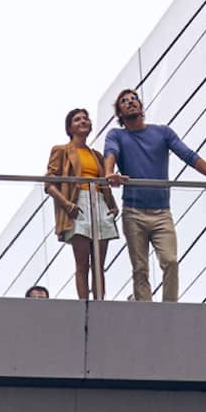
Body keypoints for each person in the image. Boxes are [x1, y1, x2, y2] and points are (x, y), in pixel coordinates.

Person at [102, 88, 206, 303]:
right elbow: (110, 153)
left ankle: (170, 308)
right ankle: (145, 309)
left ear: (141, 106)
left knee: (170, 261)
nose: (130, 102)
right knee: (140, 268)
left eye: (134, 99)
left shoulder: (162, 133)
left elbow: (187, 154)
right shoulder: (117, 135)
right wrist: (109, 174)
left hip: (162, 213)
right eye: (124, 101)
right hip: (133, 212)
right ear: (119, 114)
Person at [44, 105, 119, 300]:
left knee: (99, 264)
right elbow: (49, 183)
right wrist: (67, 205)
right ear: (69, 128)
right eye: (77, 119)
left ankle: (100, 302)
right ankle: (84, 303)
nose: (83, 121)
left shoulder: (96, 155)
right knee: (82, 262)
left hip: (99, 202)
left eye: (85, 118)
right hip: (77, 203)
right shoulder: (61, 151)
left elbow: (104, 184)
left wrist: (112, 205)